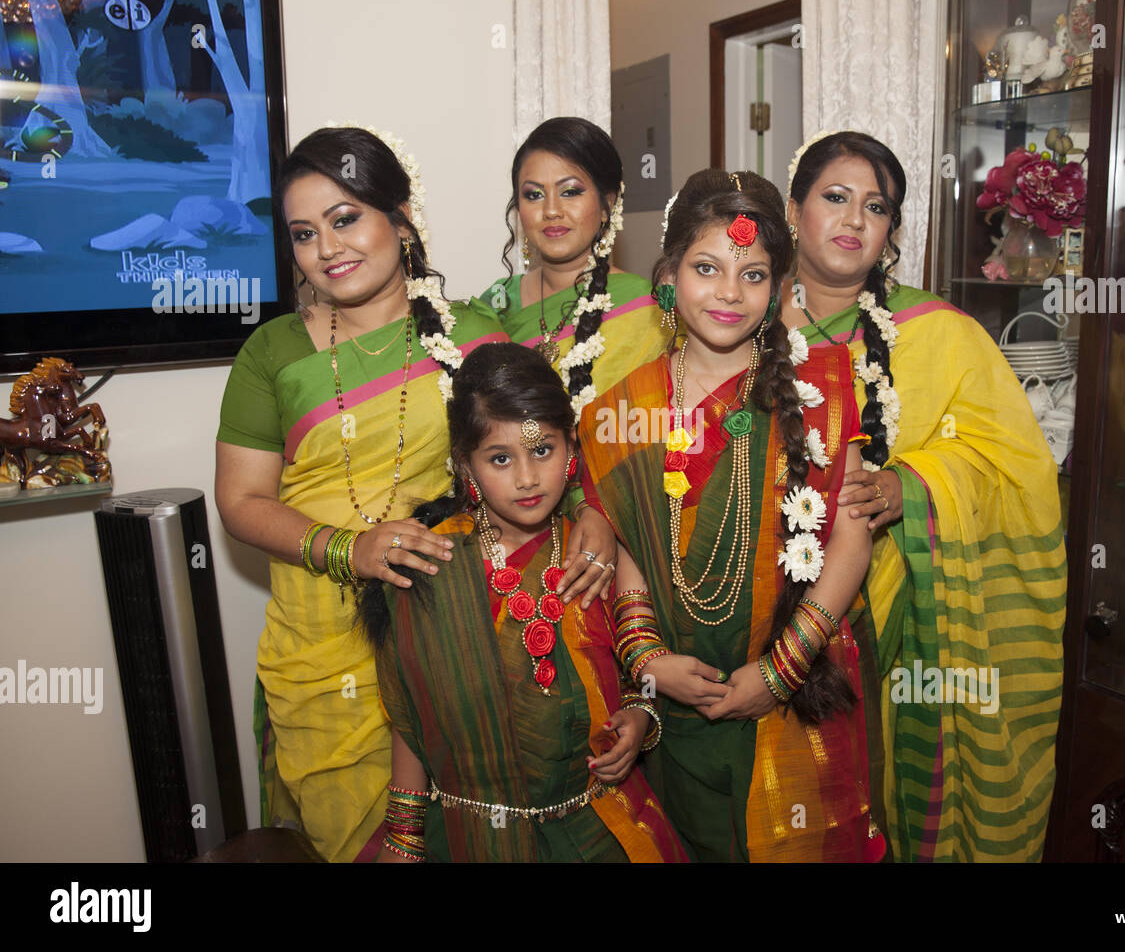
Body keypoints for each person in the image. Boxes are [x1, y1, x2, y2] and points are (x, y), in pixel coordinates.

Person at [213, 126, 613, 862]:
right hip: (321, 651)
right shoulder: (272, 353)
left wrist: (590, 512)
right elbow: (239, 502)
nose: (327, 247)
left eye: (346, 219)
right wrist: (347, 548)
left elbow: (543, 446)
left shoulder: (475, 334)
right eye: (305, 233)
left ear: (400, 219)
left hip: (457, 633)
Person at [578, 168, 884, 862]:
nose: (727, 293)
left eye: (752, 275)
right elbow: (633, 549)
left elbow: (850, 536)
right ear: (668, 274)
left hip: (798, 691)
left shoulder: (822, 387)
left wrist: (779, 672)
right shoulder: (623, 410)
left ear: (778, 290)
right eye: (707, 268)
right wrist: (648, 659)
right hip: (676, 707)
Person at [782, 129, 1067, 861]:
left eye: (875, 207)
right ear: (792, 210)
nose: (853, 221)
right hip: (753, 609)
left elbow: (1020, 468)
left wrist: (913, 484)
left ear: (891, 231)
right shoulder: (736, 317)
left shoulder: (941, 330)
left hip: (898, 617)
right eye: (834, 198)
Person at [361, 342, 687, 862]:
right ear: (465, 466)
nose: (528, 478)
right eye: (499, 458)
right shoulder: (431, 564)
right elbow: (411, 714)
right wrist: (404, 833)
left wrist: (640, 716)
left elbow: (638, 669)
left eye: (543, 450)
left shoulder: (596, 553)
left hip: (594, 824)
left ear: (571, 450)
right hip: (471, 835)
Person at [479, 117, 671, 417]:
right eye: (534, 195)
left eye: (570, 192)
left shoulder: (648, 308)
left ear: (608, 203)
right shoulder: (496, 304)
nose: (551, 210)